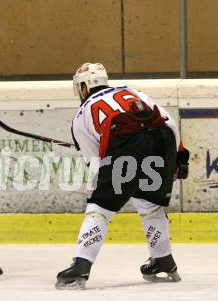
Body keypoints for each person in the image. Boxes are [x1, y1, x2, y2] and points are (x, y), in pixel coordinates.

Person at [56, 63, 190, 289]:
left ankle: (80, 266)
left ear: (83, 86)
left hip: (128, 148)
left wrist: (104, 192)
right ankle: (162, 260)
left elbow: (96, 164)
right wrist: (180, 158)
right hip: (162, 142)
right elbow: (168, 121)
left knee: (100, 209)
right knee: (150, 205)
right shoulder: (132, 92)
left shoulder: (82, 114)